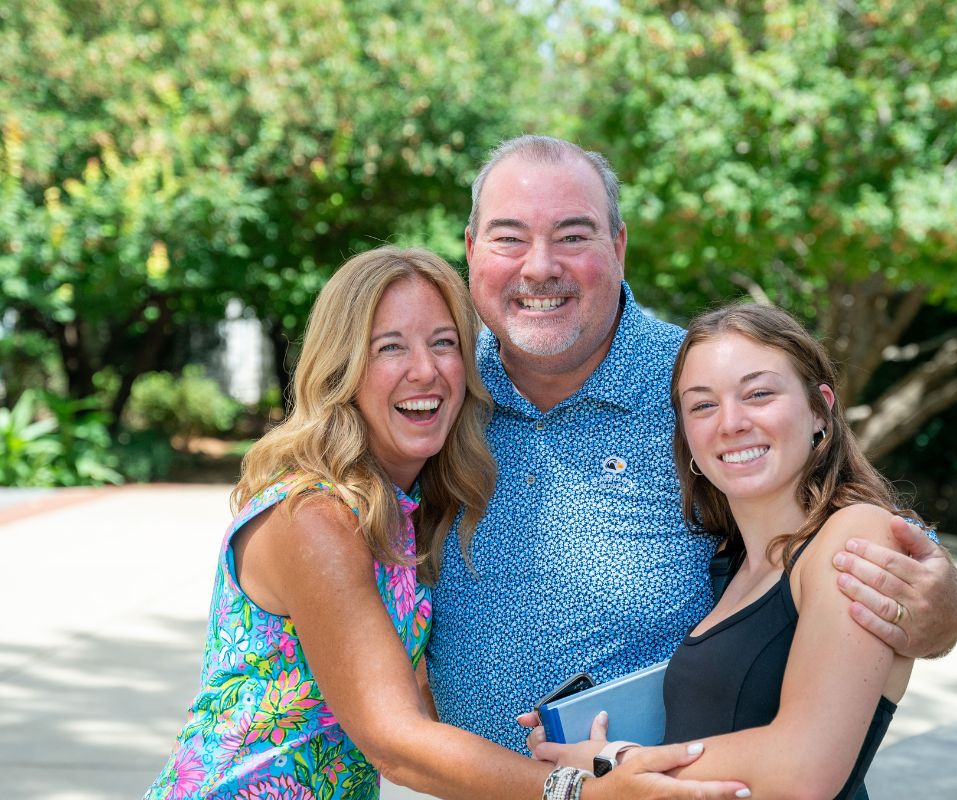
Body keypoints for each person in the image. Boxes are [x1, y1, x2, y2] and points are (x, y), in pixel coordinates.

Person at [425, 135, 957, 753]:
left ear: (619, 246)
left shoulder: (704, 387)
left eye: (574, 236)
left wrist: (943, 605)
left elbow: (869, 532)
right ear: (472, 250)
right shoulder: (437, 393)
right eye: (510, 237)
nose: (540, 266)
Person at [144, 247, 748, 800]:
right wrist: (578, 792)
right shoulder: (315, 516)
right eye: (390, 348)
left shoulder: (396, 506)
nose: (425, 371)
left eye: (443, 343)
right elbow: (395, 740)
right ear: (343, 367)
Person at [537, 303, 919, 799]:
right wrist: (589, 740)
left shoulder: (854, 536)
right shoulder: (733, 561)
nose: (731, 422)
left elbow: (806, 770)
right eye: (702, 405)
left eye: (758, 394)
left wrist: (617, 762)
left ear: (819, 409)